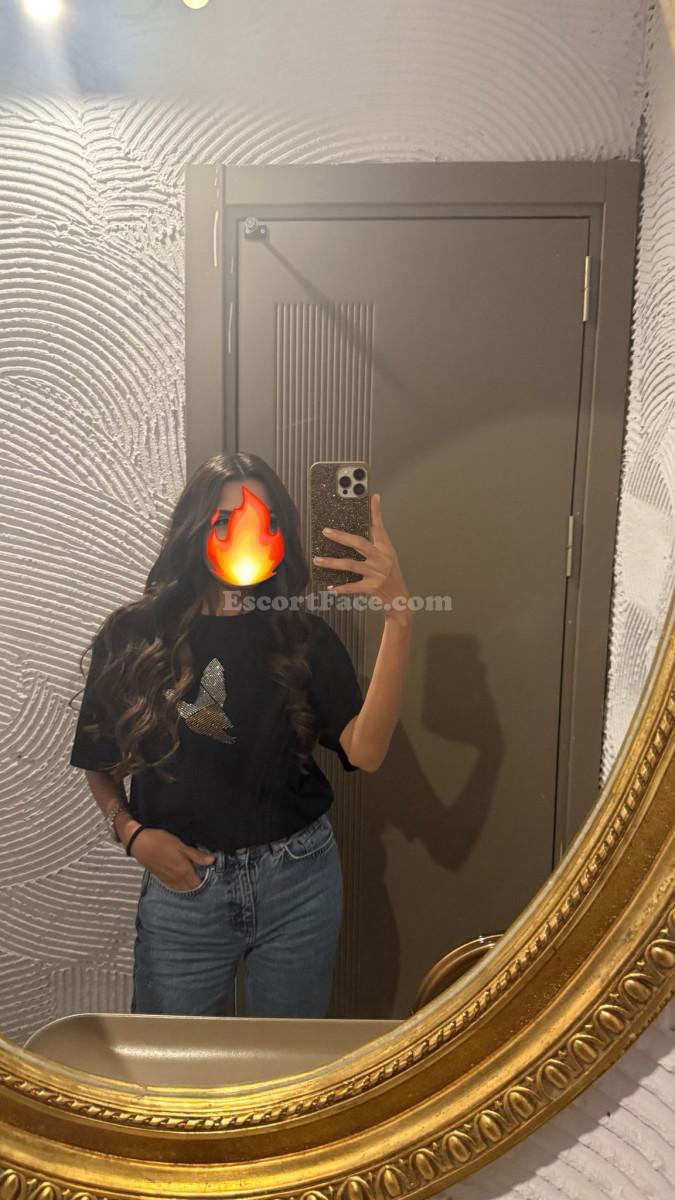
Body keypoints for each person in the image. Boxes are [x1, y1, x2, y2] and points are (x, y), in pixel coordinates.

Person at [69, 452, 412, 1018]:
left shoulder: (303, 636)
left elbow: (367, 753)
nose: (246, 533)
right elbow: (96, 758)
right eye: (226, 519)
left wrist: (398, 618)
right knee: (173, 1062)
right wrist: (131, 835)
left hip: (298, 880)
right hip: (184, 887)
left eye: (263, 520)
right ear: (195, 527)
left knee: (284, 1062)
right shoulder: (134, 636)